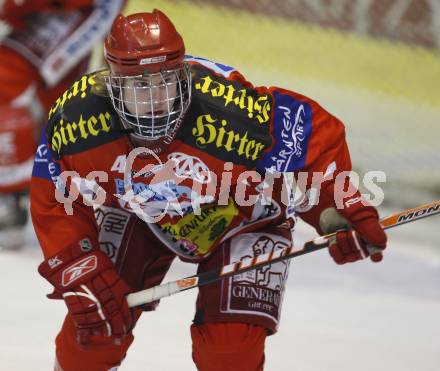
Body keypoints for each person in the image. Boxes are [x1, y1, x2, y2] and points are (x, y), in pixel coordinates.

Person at [30, 9, 388, 371]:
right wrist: (78, 265)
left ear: (182, 75)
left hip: (246, 217)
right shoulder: (80, 119)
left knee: (229, 356)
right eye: (140, 86)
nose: (155, 99)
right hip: (141, 213)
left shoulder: (228, 112)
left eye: (164, 82)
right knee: (94, 327)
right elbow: (54, 190)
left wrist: (336, 210)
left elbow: (315, 133)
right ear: (114, 84)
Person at [0, 0, 124, 242]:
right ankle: (49, 191)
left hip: (82, 7)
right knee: (49, 98)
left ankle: (11, 199)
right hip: (54, 10)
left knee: (9, 78)